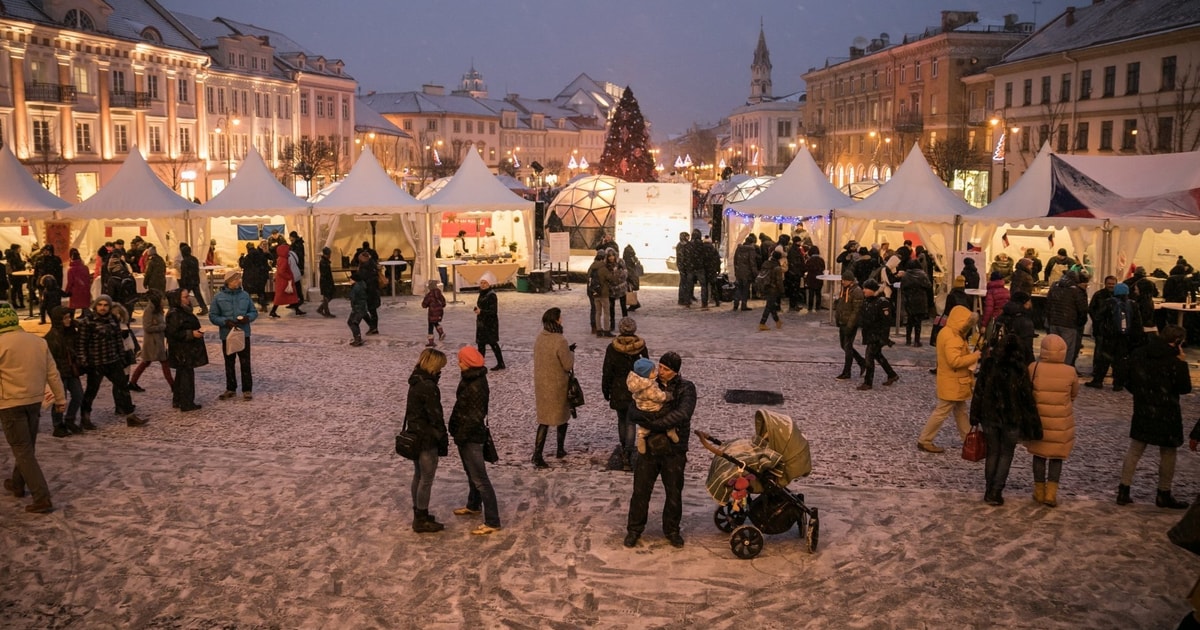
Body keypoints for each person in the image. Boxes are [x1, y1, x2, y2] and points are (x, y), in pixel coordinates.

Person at [624, 351, 695, 549]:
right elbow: (632, 411)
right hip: (649, 450)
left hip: (674, 450)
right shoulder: (647, 382)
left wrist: (653, 424)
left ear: (675, 371)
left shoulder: (686, 388)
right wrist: (652, 421)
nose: (661, 371)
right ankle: (634, 529)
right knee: (640, 491)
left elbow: (682, 414)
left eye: (666, 369)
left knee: (673, 492)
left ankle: (672, 530)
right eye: (660, 367)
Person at [0, 301, 66, 513]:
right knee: (27, 447)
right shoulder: (37, 342)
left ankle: (42, 496)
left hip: (10, 402)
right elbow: (52, 373)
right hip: (34, 401)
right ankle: (18, 484)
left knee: (22, 449)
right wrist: (60, 399)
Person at [1118, 325, 1192, 509]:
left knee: (1135, 449)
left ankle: (1123, 490)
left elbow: (1126, 378)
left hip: (1143, 408)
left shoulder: (1140, 353)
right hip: (1168, 411)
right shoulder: (1174, 360)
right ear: (1177, 342)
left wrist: (1141, 393)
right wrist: (1182, 363)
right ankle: (1163, 493)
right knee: (1168, 452)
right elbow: (1184, 388)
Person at [971, 333, 1041, 506]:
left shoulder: (989, 364)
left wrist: (974, 415)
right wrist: (1032, 422)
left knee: (993, 452)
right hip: (1011, 417)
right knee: (1006, 454)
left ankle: (989, 489)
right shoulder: (1019, 368)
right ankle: (996, 490)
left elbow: (978, 392)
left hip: (990, 416)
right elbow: (1026, 398)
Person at [448, 345, 501, 535]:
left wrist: (461, 434)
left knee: (480, 479)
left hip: (471, 436)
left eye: (461, 360)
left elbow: (475, 415)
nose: (458, 363)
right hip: (465, 434)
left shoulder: (476, 385)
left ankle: (493, 521)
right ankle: (473, 504)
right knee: (472, 473)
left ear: (468, 363)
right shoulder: (471, 379)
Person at [75, 295, 145, 428]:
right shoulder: (87, 322)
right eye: (100, 305)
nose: (102, 308)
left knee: (123, 387)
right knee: (91, 391)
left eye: (105, 305)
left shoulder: (112, 319)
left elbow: (118, 339)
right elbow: (81, 343)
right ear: (95, 306)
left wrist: (121, 356)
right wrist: (84, 361)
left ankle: (130, 416)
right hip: (96, 362)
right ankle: (85, 418)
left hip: (112, 360)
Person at [1026, 334, 1079, 507]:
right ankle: (1051, 494)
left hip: (1039, 420)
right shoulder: (1070, 371)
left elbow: (1028, 391)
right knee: (1056, 457)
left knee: (1039, 455)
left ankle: (1039, 490)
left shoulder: (1034, 368)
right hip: (1060, 422)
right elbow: (1073, 394)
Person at [918, 305, 980, 452]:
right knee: (942, 411)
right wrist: (975, 356)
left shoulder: (947, 332)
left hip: (951, 379)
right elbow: (955, 361)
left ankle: (967, 439)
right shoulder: (953, 337)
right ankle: (925, 440)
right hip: (954, 380)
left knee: (960, 410)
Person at [404, 347, 449, 533]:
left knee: (418, 475)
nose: (441, 370)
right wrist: (442, 436)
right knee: (426, 479)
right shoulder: (428, 387)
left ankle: (419, 512)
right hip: (426, 437)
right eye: (440, 367)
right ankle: (421, 518)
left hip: (415, 433)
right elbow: (435, 415)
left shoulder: (416, 381)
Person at [602, 317, 649, 471]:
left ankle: (624, 448)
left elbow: (607, 371)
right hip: (635, 389)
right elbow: (647, 369)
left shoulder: (612, 348)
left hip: (618, 389)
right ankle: (629, 452)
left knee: (622, 420)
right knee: (631, 422)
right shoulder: (640, 347)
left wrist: (605, 389)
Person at [532, 307, 574, 468]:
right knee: (561, 417)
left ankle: (541, 452)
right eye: (560, 317)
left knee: (545, 419)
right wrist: (571, 353)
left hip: (542, 385)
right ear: (556, 320)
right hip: (557, 385)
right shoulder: (560, 340)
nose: (562, 319)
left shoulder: (540, 338)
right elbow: (567, 364)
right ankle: (551, 451)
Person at [208, 270, 257, 401]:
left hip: (243, 333)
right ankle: (231, 388)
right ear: (229, 281)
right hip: (227, 334)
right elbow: (212, 316)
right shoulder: (218, 297)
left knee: (245, 362)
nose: (239, 281)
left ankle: (247, 389)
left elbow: (253, 311)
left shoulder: (245, 295)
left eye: (239, 279)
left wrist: (248, 318)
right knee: (229, 363)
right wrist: (225, 322)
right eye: (236, 279)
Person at [1087, 282, 1144, 391]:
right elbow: (1137, 323)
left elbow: (1098, 317)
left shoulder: (1109, 303)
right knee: (1121, 360)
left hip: (1109, 336)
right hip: (1125, 337)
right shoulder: (1132, 304)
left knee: (1104, 359)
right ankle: (1118, 384)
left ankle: (1098, 380)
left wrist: (1102, 330)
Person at [43, 306, 82, 437]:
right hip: (59, 373)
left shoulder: (70, 332)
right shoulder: (51, 337)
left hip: (71, 371)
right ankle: (58, 425)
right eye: (65, 318)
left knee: (78, 395)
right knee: (60, 399)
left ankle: (70, 419)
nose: (69, 320)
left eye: (69, 317)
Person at [165, 288, 207, 412]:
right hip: (182, 350)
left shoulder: (181, 311)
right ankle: (186, 402)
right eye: (185, 297)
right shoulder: (175, 313)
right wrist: (191, 334)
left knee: (182, 374)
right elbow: (173, 333)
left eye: (188, 296)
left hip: (185, 349)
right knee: (186, 375)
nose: (188, 299)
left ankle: (178, 400)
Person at [127, 289, 174, 394]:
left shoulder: (158, 309)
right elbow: (147, 327)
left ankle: (133, 382)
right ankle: (173, 385)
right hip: (153, 343)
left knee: (146, 362)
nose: (164, 301)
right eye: (162, 299)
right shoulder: (149, 310)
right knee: (163, 362)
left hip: (157, 341)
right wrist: (162, 327)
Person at [626, 357, 676, 454]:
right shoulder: (648, 386)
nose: (656, 373)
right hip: (652, 407)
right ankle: (670, 431)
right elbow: (658, 397)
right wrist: (667, 395)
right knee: (666, 414)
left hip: (641, 407)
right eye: (653, 371)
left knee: (644, 428)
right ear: (646, 374)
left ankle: (641, 437)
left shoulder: (636, 383)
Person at [857, 279, 899, 390]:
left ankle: (868, 382)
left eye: (866, 288)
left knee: (869, 357)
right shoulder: (866, 301)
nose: (863, 290)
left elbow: (886, 322)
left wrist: (884, 338)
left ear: (872, 290)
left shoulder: (882, 302)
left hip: (877, 335)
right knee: (877, 355)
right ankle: (892, 374)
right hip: (869, 334)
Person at [1045, 271, 1088, 367]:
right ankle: (1064, 369)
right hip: (1069, 324)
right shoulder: (1076, 291)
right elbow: (1082, 309)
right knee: (1067, 349)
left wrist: (1049, 318)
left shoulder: (1054, 287)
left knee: (1053, 347)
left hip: (1054, 322)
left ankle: (1052, 367)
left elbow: (1048, 304)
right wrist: (1080, 322)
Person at [834, 268, 866, 380]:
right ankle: (862, 362)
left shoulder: (856, 291)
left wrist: (850, 325)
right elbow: (841, 306)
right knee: (844, 345)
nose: (842, 282)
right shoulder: (845, 289)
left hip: (850, 323)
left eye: (845, 280)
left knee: (847, 347)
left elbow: (856, 311)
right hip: (843, 321)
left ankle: (847, 372)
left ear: (851, 281)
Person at [997, 291, 1038, 365]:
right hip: (1017, 363)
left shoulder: (1001, 317)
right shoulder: (1025, 322)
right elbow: (1028, 348)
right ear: (1025, 303)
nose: (1031, 304)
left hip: (1001, 360)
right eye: (1029, 301)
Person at [474, 272, 505, 370]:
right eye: (481, 283)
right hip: (482, 323)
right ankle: (480, 363)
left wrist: (481, 311)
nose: (482, 285)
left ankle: (500, 363)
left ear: (489, 284)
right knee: (481, 344)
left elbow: (493, 311)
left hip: (489, 323)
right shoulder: (482, 293)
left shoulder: (491, 295)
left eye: (485, 283)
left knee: (493, 343)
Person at [900, 259, 931, 346]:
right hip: (920, 299)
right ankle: (917, 341)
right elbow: (928, 285)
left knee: (910, 320)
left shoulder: (906, 275)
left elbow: (903, 287)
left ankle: (908, 339)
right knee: (918, 322)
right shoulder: (922, 274)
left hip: (909, 299)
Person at [268, 243, 303, 318]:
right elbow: (281, 271)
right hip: (285, 281)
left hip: (283, 281)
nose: (288, 251)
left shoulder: (281, 258)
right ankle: (273, 311)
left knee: (291, 296)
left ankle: (297, 310)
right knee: (282, 296)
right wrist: (289, 277)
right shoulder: (283, 259)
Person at [353, 250, 381, 334]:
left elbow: (362, 277)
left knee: (367, 310)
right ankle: (373, 327)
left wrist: (354, 277)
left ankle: (373, 327)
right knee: (372, 310)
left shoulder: (365, 267)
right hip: (373, 291)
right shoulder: (372, 265)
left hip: (368, 291)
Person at [238, 241, 271, 312]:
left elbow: (242, 265)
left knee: (247, 293)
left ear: (247, 248)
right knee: (260, 292)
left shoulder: (248, 256)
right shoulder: (260, 254)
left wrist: (241, 258)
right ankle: (263, 306)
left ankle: (248, 308)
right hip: (259, 276)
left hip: (249, 277)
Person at [757, 250, 784, 331]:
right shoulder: (777, 267)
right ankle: (762, 323)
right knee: (769, 306)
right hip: (773, 287)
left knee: (771, 305)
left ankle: (777, 321)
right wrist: (782, 291)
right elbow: (779, 281)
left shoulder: (766, 263)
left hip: (765, 285)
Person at [178, 243, 207, 316]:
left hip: (188, 281)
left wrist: (182, 282)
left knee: (184, 296)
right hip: (195, 280)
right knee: (198, 295)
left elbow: (184, 273)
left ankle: (185, 309)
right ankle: (204, 307)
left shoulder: (184, 261)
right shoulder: (194, 259)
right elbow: (196, 270)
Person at [732, 234, 759, 312]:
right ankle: (744, 305)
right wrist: (755, 273)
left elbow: (735, 260)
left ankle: (735, 305)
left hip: (739, 271)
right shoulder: (751, 250)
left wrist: (736, 270)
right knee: (745, 289)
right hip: (747, 273)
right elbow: (752, 263)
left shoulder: (739, 248)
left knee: (738, 288)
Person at [65, 248, 91, 317]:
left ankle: (71, 319)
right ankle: (84, 317)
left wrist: (66, 291)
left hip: (75, 291)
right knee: (84, 305)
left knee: (72, 307)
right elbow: (88, 279)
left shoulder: (71, 269)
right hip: (85, 289)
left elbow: (70, 282)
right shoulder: (85, 267)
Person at [421, 279, 446, 347]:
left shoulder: (429, 295)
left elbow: (424, 304)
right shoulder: (439, 294)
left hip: (432, 312)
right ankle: (441, 332)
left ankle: (431, 341)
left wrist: (425, 305)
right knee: (435, 322)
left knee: (430, 326)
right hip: (440, 311)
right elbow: (443, 302)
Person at [622, 245, 644, 312]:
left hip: (630, 276)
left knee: (629, 290)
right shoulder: (634, 258)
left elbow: (628, 268)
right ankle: (634, 303)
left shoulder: (627, 259)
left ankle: (634, 304)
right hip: (633, 276)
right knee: (629, 290)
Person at [804, 245, 826, 312]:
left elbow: (806, 268)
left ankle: (810, 307)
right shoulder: (821, 260)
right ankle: (818, 306)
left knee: (811, 293)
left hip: (811, 278)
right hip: (819, 278)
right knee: (818, 293)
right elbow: (823, 268)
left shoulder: (809, 260)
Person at [674, 231, 693, 306]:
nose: (688, 238)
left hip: (681, 266)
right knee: (687, 283)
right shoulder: (688, 245)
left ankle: (681, 299)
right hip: (687, 267)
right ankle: (686, 300)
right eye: (687, 237)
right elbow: (688, 256)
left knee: (682, 282)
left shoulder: (679, 245)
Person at [316, 246, 336, 318]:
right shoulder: (324, 262)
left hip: (326, 281)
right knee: (327, 296)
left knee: (328, 296)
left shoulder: (325, 261)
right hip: (326, 281)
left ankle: (321, 309)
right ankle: (325, 311)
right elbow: (325, 274)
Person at [6, 244, 27, 308]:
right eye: (19, 248)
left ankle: (15, 303)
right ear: (16, 249)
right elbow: (18, 265)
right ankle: (19, 303)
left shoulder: (10, 255)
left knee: (15, 289)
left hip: (13, 275)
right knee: (17, 289)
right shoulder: (14, 256)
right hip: (16, 274)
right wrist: (24, 262)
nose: (20, 249)